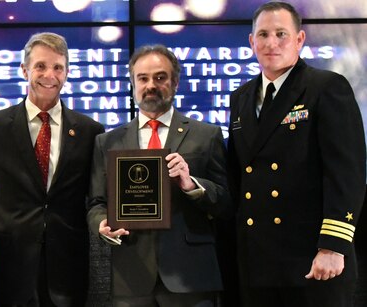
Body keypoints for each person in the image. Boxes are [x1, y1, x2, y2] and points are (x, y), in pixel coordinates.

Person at [227, 2, 366, 306]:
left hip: (313, 260)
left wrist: (333, 246)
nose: (271, 43)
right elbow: (238, 179)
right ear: (252, 42)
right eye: (263, 34)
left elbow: (347, 174)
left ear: (300, 39)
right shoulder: (240, 98)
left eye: (281, 34)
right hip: (257, 262)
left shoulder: (325, 87)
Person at [87, 45, 230, 306]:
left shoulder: (206, 135)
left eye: (160, 77)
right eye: (142, 78)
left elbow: (226, 202)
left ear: (175, 82)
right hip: (131, 276)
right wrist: (102, 224)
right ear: (133, 84)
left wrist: (191, 184)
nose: (151, 84)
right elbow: (96, 203)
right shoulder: (107, 142)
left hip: (191, 276)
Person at [0, 32, 104, 306]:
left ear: (67, 72)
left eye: (58, 67)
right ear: (24, 70)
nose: (49, 75)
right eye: (40, 66)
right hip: (8, 264)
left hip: (68, 267)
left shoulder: (91, 131)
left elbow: (98, 195)